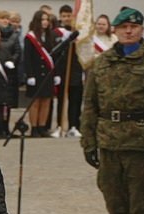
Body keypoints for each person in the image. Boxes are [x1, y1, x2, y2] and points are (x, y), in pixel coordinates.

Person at [81, 7, 144, 214]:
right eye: (123, 27)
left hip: (141, 143)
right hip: (109, 141)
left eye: (134, 26)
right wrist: (88, 143)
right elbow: (90, 105)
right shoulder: (102, 62)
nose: (129, 30)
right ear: (115, 30)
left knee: (141, 203)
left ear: (141, 29)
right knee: (115, 204)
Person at [23, 9, 57, 136]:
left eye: (47, 20)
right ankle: (35, 128)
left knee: (46, 100)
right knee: (35, 101)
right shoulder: (30, 37)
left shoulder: (50, 36)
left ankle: (42, 127)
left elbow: (54, 56)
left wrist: (56, 74)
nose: (45, 22)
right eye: (43, 19)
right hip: (36, 73)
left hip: (48, 73)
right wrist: (30, 75)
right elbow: (27, 58)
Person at [55, 4, 83, 136]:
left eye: (69, 16)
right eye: (64, 16)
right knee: (61, 100)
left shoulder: (77, 32)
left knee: (75, 100)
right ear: (60, 17)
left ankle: (74, 125)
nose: (66, 18)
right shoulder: (56, 33)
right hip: (62, 71)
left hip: (76, 71)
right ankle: (60, 126)